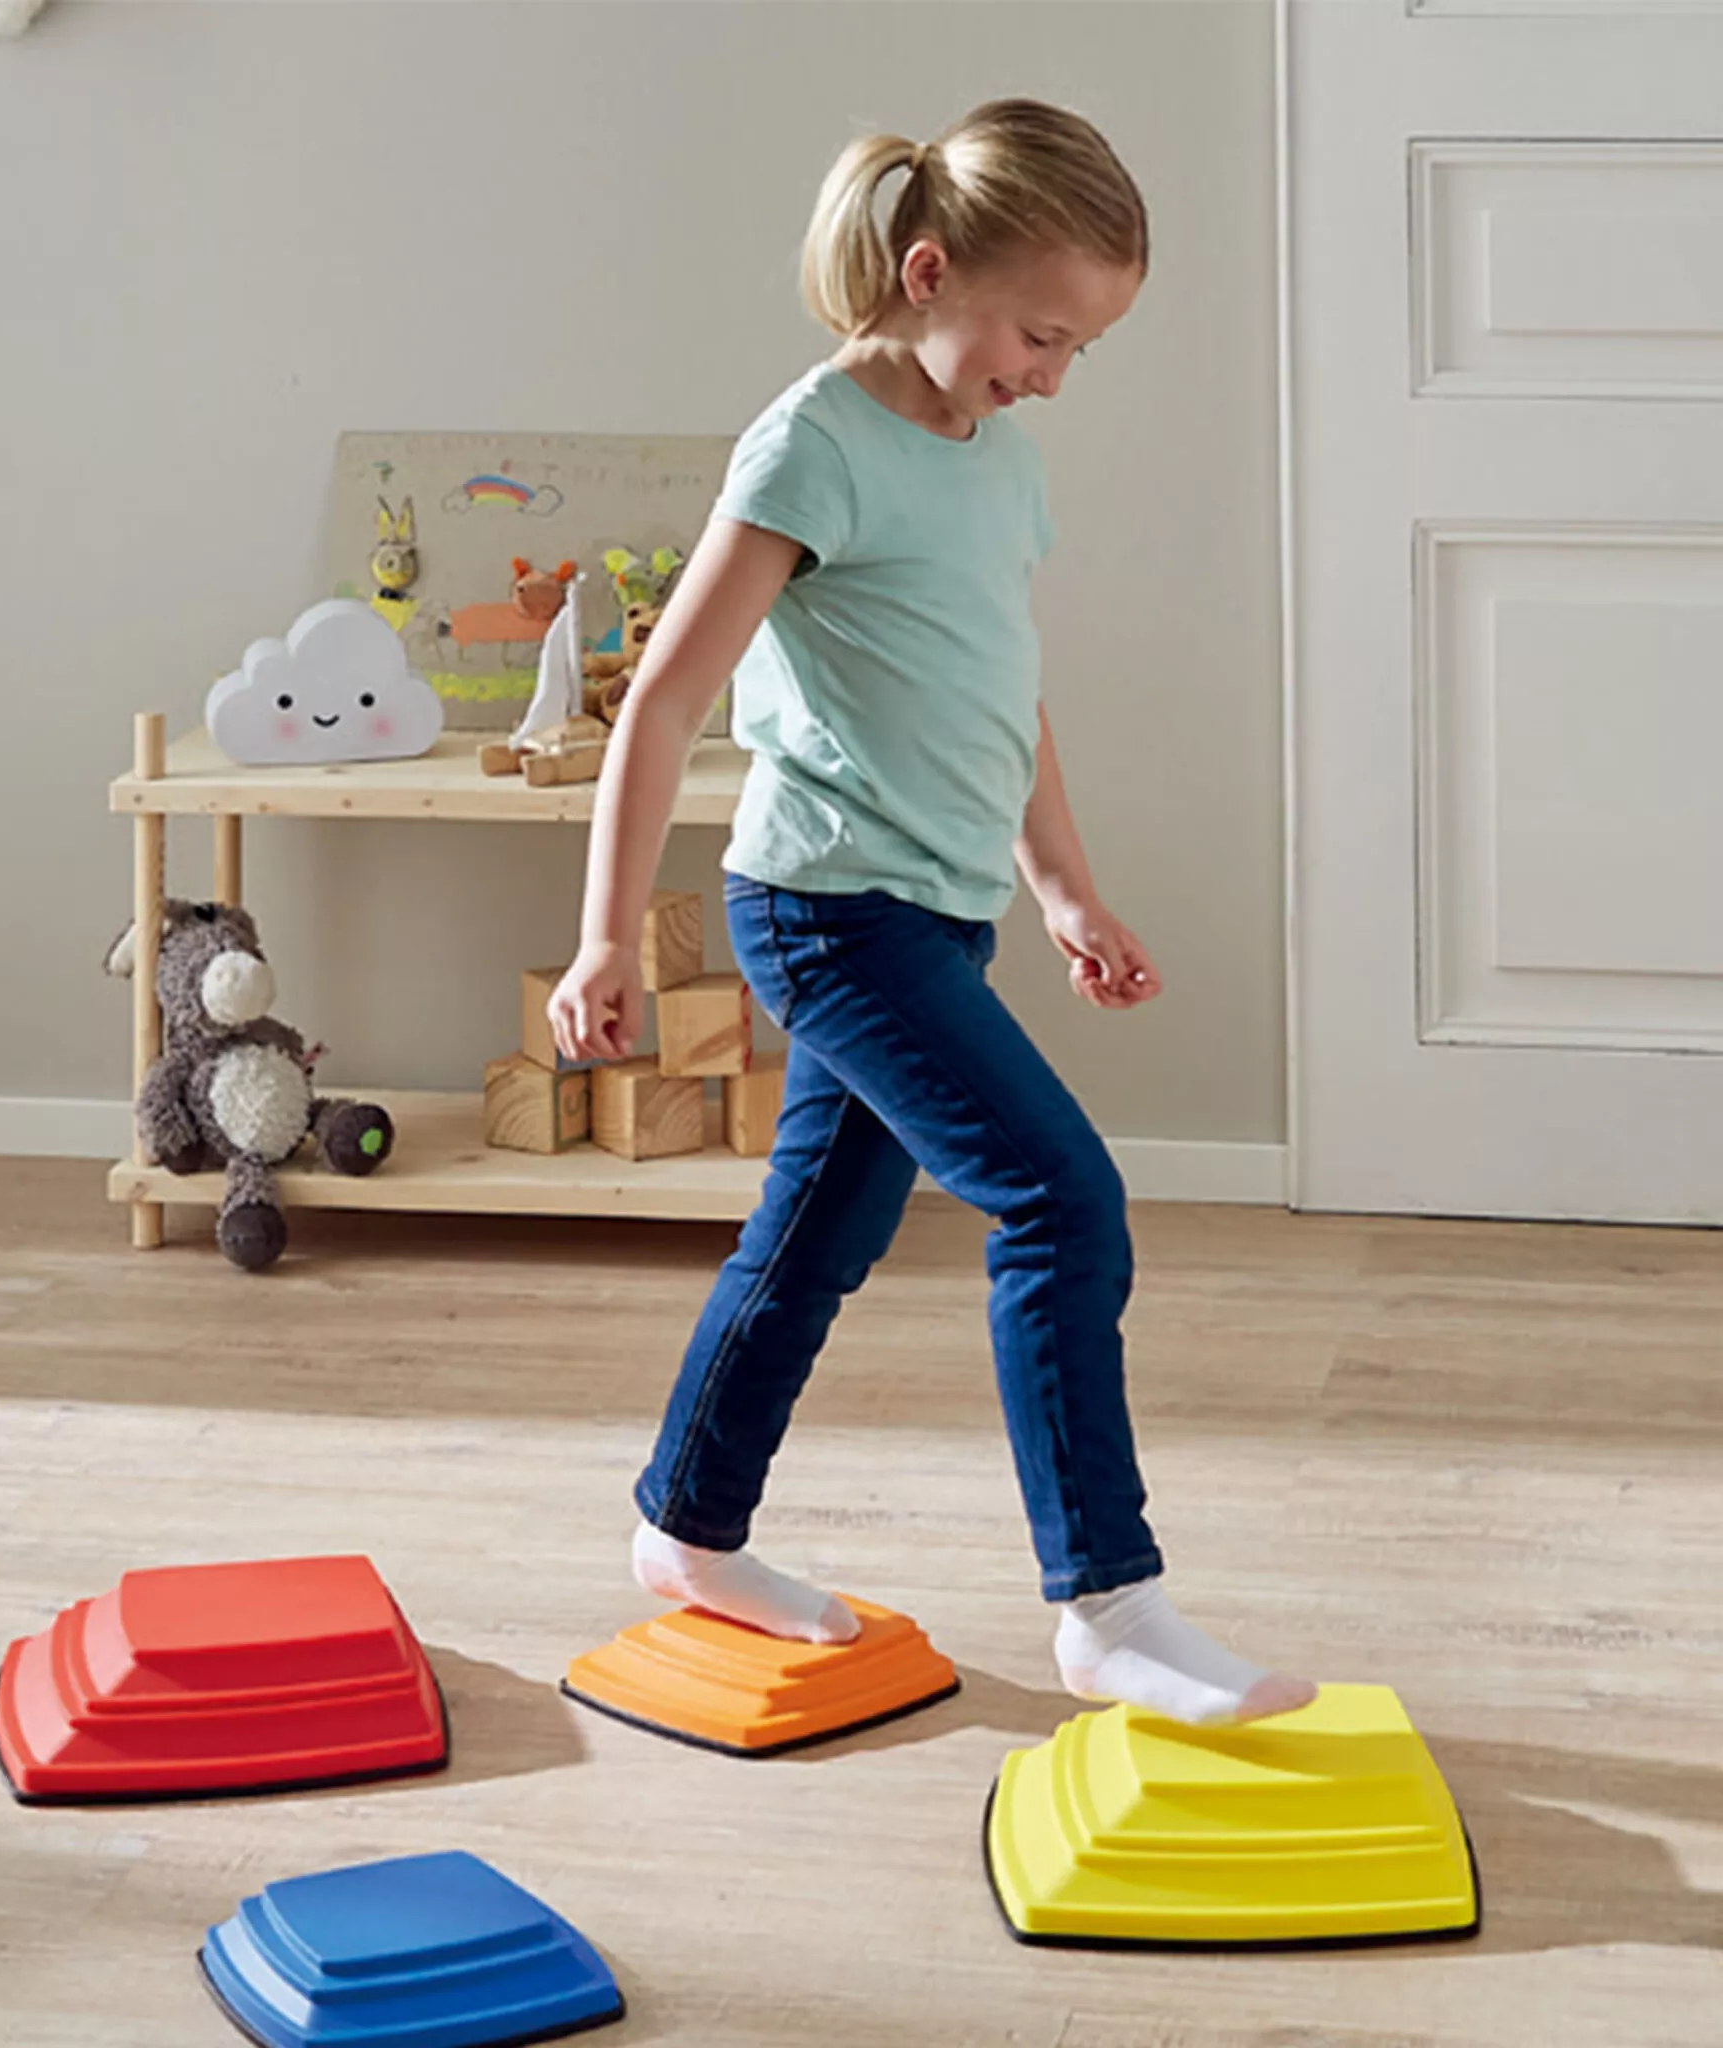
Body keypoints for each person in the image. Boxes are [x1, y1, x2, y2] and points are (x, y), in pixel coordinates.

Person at [547, 99, 1313, 1727]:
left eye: (1080, 349)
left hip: (936, 914)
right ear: (928, 271)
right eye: (1041, 335)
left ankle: (687, 1527)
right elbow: (667, 701)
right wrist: (610, 934)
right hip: (829, 914)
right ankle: (1108, 1604)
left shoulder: (998, 458)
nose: (1054, 376)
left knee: (814, 1239)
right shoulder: (812, 446)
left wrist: (1064, 887)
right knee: (1063, 1204)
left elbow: (1000, 689)